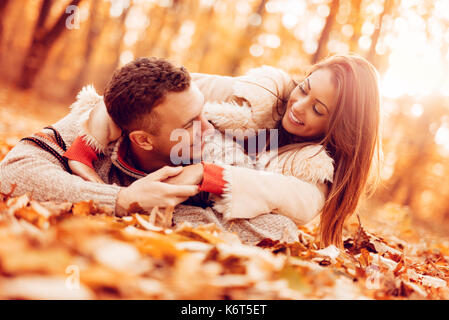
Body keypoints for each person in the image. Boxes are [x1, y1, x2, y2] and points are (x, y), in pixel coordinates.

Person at [64, 53, 382, 247]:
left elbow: (295, 202)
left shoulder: (314, 168)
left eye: (318, 109)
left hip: (207, 203)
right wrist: (84, 148)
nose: (298, 106)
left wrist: (208, 174)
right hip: (153, 165)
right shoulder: (257, 95)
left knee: (280, 228)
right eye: (304, 88)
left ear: (338, 128)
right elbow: (143, 92)